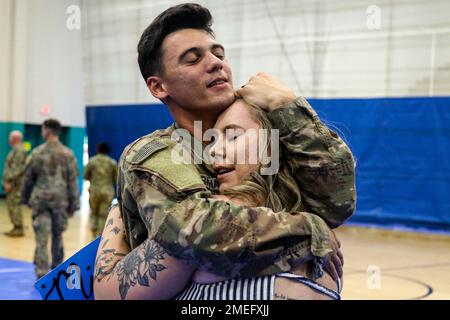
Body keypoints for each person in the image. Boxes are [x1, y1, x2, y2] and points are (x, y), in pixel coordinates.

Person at [95, 3, 355, 299]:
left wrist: (288, 105)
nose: (215, 63)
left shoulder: (262, 129)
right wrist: (308, 229)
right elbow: (196, 229)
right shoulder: (155, 152)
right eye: (193, 60)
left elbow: (336, 202)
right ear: (158, 86)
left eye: (218, 54)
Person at [95, 98, 343, 300]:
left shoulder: (212, 219)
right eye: (212, 140)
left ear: (272, 146)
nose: (214, 150)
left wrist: (121, 205)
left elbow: (109, 292)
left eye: (233, 136)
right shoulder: (317, 230)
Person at [21, 119, 80, 279]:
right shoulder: (68, 154)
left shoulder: (37, 153)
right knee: (57, 236)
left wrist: (25, 198)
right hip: (60, 202)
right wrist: (75, 204)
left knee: (41, 239)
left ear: (47, 130)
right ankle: (57, 272)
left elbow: (27, 179)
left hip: (40, 201)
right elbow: (72, 180)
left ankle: (41, 274)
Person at [84, 142, 118, 238]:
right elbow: (116, 179)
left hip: (94, 191)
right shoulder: (112, 162)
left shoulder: (92, 161)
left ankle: (93, 235)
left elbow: (86, 176)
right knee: (103, 216)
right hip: (107, 192)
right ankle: (99, 238)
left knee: (94, 213)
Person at [2, 131, 27, 237]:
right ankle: (16, 226)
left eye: (10, 138)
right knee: (12, 205)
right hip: (13, 183)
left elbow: (17, 168)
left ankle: (18, 228)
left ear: (15, 139)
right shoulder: (16, 150)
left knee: (14, 205)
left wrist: (8, 181)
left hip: (15, 184)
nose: (9, 140)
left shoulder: (20, 150)